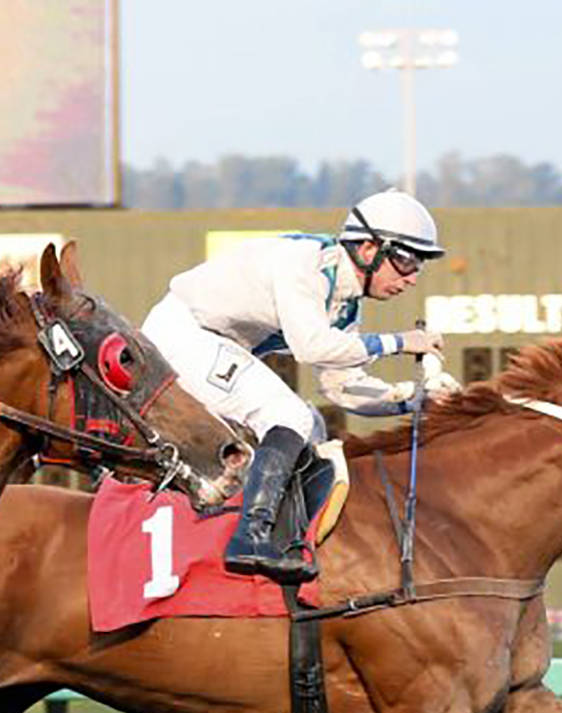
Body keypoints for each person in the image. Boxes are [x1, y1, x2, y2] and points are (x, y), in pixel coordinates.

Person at [141, 188, 457, 583]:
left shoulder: (345, 302)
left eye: (419, 265)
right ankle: (251, 538)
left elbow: (342, 387)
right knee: (287, 414)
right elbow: (313, 347)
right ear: (368, 248)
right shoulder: (307, 264)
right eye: (406, 260)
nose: (411, 278)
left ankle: (293, 539)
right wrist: (400, 342)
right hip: (184, 334)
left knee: (311, 425)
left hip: (213, 341)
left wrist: (413, 402)